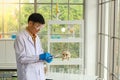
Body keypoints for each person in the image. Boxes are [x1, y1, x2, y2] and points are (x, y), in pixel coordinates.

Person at [14, 13, 53, 80]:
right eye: (37, 26)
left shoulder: (36, 37)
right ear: (30, 23)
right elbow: (21, 59)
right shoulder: (20, 37)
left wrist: (45, 59)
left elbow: (39, 53)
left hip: (39, 75)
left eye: (41, 27)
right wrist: (39, 57)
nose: (39, 30)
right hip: (28, 76)